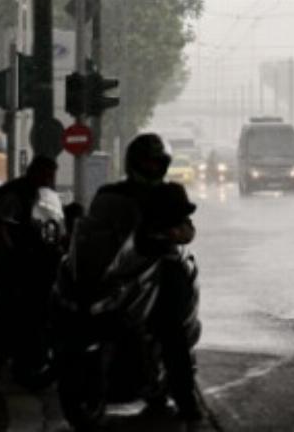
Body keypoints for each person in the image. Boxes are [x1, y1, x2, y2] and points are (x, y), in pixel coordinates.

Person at [90, 133, 203, 421]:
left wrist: (172, 233)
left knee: (170, 329)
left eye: (157, 163)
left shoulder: (171, 194)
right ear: (133, 162)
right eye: (146, 162)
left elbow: (187, 229)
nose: (152, 168)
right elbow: (94, 226)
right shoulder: (111, 193)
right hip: (118, 266)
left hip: (158, 266)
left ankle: (186, 400)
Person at [0, 155, 60, 387]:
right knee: (13, 299)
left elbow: (56, 220)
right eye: (46, 174)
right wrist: (12, 252)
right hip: (16, 257)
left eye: (51, 175)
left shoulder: (47, 196)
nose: (49, 179)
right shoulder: (14, 193)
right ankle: (3, 347)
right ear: (34, 172)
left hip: (42, 255)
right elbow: (3, 227)